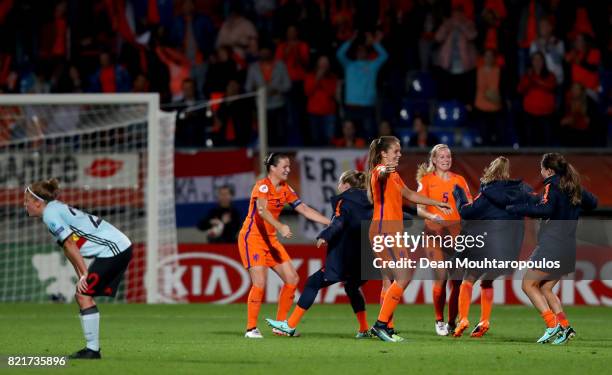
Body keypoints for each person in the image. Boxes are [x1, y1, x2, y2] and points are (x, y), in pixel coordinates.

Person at [24, 179, 133, 359]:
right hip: (117, 247)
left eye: (27, 199)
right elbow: (68, 248)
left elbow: (69, 244)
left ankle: (92, 351)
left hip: (114, 249)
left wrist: (84, 274)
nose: (24, 204)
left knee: (83, 295)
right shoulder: (54, 209)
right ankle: (92, 349)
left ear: (38, 202)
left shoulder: (50, 214)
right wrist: (81, 275)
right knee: (83, 293)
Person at [265, 170, 373, 338]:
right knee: (352, 287)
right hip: (367, 257)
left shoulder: (344, 201)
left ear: (345, 185)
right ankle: (364, 329)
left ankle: (290, 325)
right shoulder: (372, 200)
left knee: (313, 283)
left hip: (346, 258)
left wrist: (325, 235)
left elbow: (338, 222)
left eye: (339, 183)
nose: (338, 187)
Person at [367, 136, 452, 342]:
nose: (399, 154)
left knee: (390, 281)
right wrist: (383, 169)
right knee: (404, 276)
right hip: (384, 231)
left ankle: (387, 327)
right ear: (383, 154)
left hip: (393, 232)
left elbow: (409, 194)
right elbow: (379, 173)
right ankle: (380, 325)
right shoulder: (380, 171)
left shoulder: (394, 175)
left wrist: (435, 203)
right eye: (395, 151)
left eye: (399, 151)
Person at [507, 153, 597, 344]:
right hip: (568, 247)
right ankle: (565, 326)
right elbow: (593, 203)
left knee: (528, 285)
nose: (541, 172)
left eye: (541, 168)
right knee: (546, 288)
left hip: (552, 244)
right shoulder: (572, 186)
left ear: (548, 170)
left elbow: (546, 210)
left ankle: (551, 325)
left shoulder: (552, 184)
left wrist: (518, 209)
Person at [240, 153, 330, 338]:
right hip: (253, 238)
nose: (288, 169)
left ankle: (280, 326)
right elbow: (262, 210)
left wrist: (329, 223)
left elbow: (303, 209)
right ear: (273, 168)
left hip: (270, 240)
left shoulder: (286, 189)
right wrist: (280, 226)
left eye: (289, 166)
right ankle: (251, 329)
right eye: (284, 166)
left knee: (292, 279)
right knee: (259, 282)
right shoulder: (262, 186)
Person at [451, 156, 533, 337]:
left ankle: (463, 318)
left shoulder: (488, 193)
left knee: (468, 278)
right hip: (507, 251)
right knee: (487, 281)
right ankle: (484, 321)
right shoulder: (519, 194)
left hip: (485, 246)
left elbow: (467, 212)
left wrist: (459, 196)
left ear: (491, 170)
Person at [416, 144, 472, 336]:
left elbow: (468, 205)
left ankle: (451, 322)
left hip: (456, 235)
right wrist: (432, 217)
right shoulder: (426, 181)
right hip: (434, 234)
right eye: (442, 157)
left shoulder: (460, 180)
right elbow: (419, 209)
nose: (446, 160)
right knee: (440, 276)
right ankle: (438, 320)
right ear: (434, 160)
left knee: (456, 281)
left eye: (448, 156)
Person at [336, 32, 388, 140]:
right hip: (351, 106)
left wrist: (373, 42)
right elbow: (339, 54)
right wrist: (350, 40)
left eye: (363, 50)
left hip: (367, 107)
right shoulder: (349, 65)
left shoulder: (373, 65)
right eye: (359, 50)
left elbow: (384, 55)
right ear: (356, 53)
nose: (361, 52)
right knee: (349, 135)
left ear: (367, 53)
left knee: (368, 136)